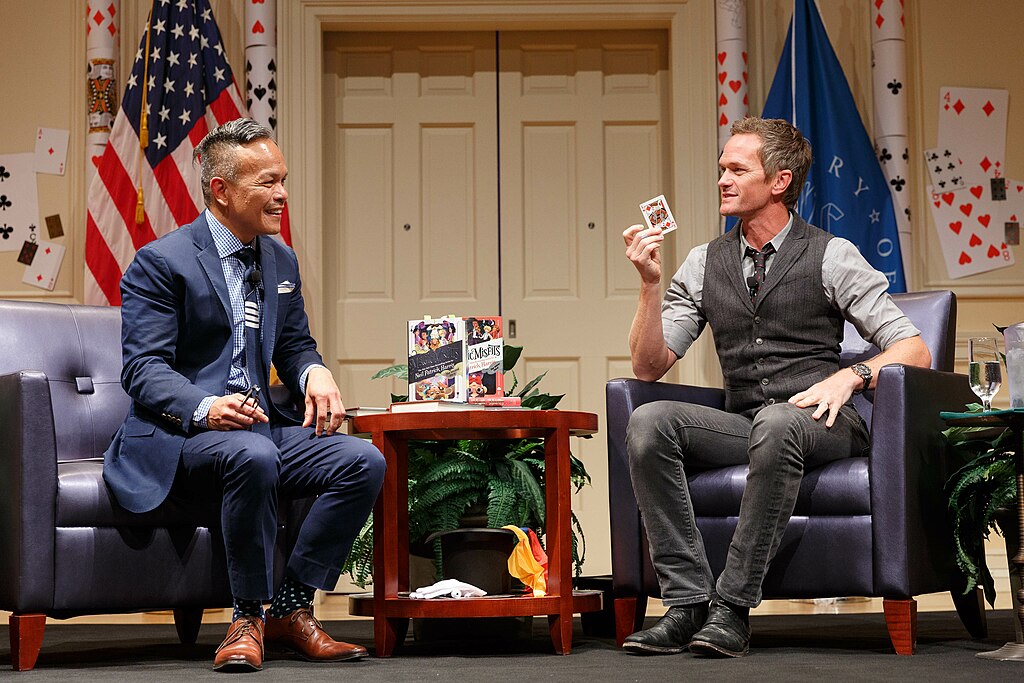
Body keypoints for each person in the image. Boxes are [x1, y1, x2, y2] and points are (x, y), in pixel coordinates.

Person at [620, 117, 930, 658]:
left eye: (737, 169)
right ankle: (688, 602)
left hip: (823, 422)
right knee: (649, 421)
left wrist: (849, 376)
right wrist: (649, 287)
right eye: (722, 168)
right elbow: (649, 367)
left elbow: (914, 349)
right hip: (747, 422)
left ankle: (733, 607)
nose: (723, 179)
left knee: (781, 419)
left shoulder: (832, 254)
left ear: (780, 181)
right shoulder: (702, 262)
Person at [103, 118, 386, 673]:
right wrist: (207, 408)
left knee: (362, 460)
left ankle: (291, 606)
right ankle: (246, 617)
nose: (281, 194)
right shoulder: (162, 262)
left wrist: (314, 373)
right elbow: (143, 370)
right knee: (252, 454)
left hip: (259, 425)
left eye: (283, 180)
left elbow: (296, 344)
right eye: (267, 182)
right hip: (183, 436)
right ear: (222, 191)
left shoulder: (280, 258)